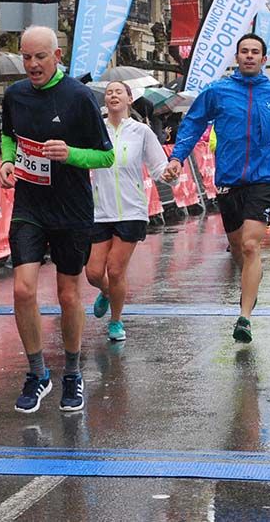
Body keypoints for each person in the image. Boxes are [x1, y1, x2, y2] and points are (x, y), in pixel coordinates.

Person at [0, 26, 114, 414]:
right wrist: (6, 161)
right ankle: (37, 373)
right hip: (30, 206)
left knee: (68, 295)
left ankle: (73, 373)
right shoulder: (14, 94)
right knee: (22, 290)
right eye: (26, 57)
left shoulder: (79, 98)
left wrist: (71, 154)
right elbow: (7, 136)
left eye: (39, 57)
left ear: (57, 55)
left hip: (71, 209)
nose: (32, 65)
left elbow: (106, 157)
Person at [163, 34, 270, 344]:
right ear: (236, 57)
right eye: (244, 52)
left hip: (263, 178)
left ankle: (245, 316)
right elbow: (193, 124)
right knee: (239, 249)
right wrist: (177, 159)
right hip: (228, 179)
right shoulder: (218, 91)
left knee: (252, 246)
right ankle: (250, 284)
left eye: (255, 52)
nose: (249, 56)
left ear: (264, 59)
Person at [86, 81, 169, 343]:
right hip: (100, 210)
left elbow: (159, 168)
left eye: (118, 92)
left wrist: (171, 174)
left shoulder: (141, 131)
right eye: (109, 92)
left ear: (129, 99)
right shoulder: (94, 129)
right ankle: (108, 293)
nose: (113, 95)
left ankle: (116, 321)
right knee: (93, 273)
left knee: (116, 269)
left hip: (131, 211)